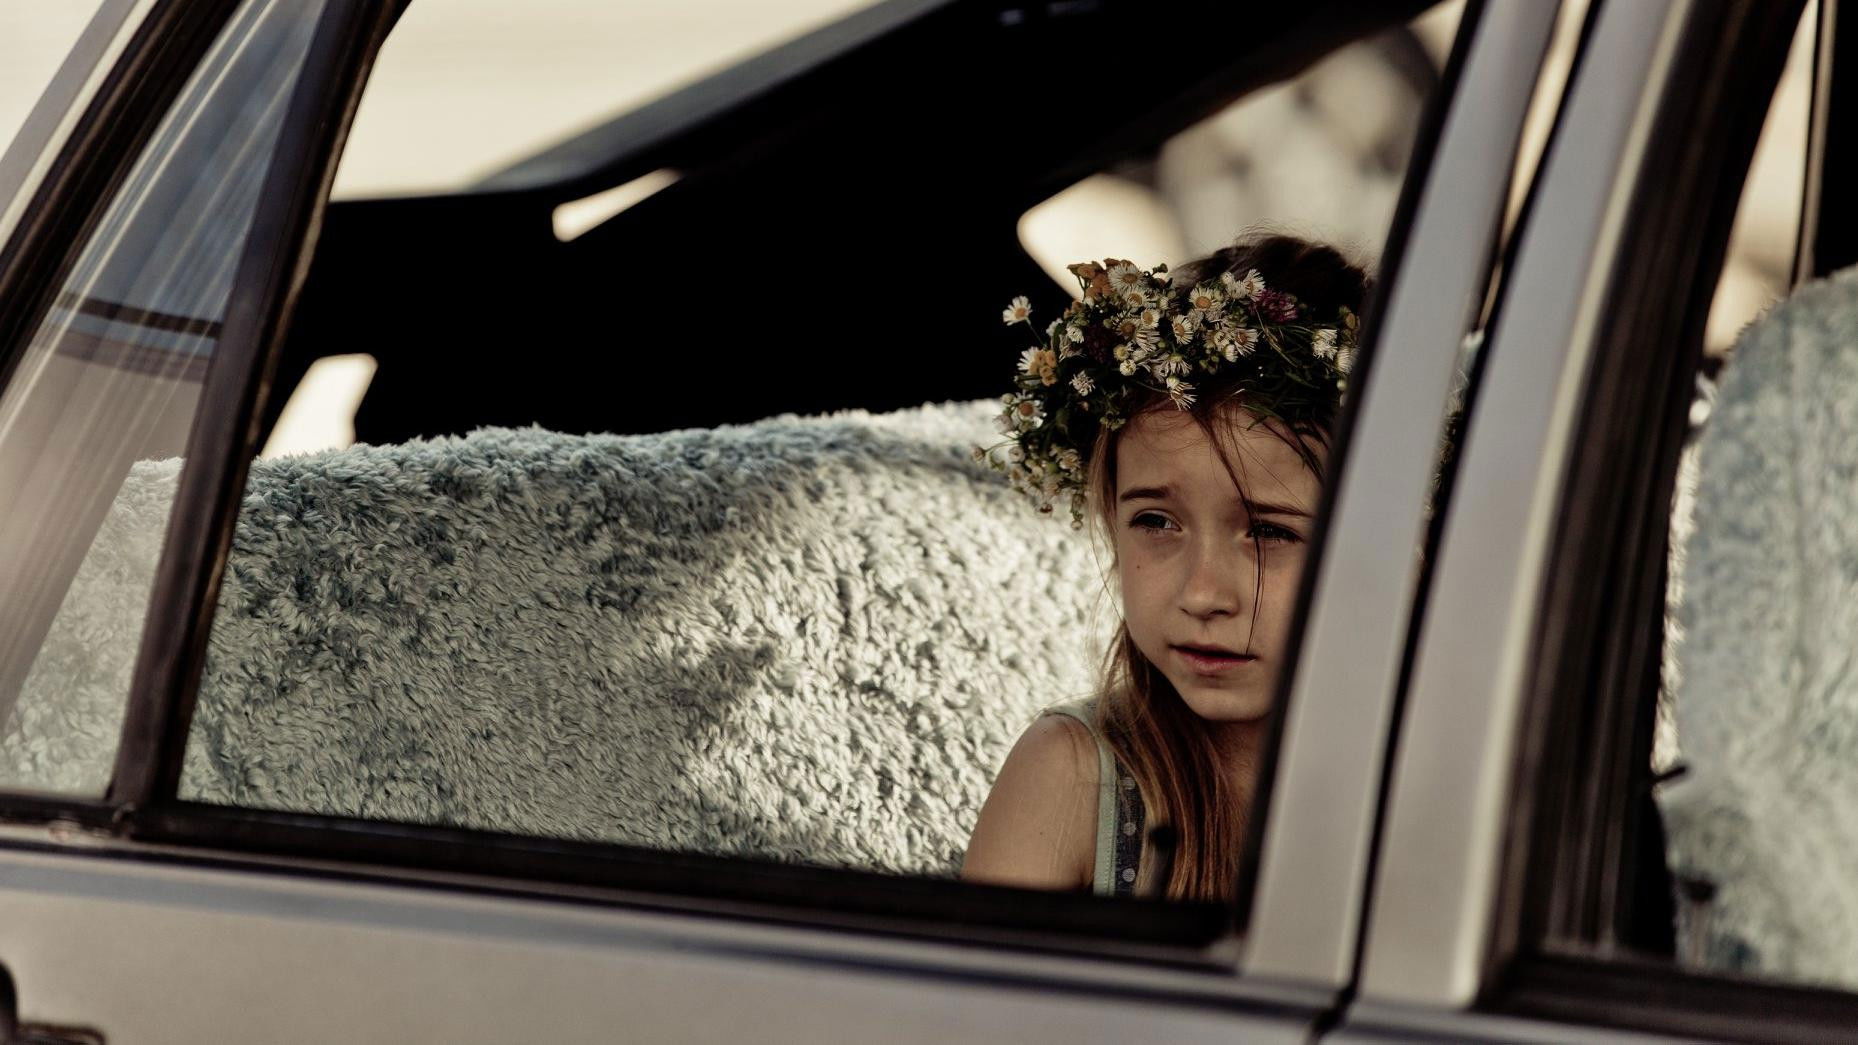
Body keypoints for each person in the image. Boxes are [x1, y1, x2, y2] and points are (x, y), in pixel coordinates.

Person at [962, 234, 1369, 901]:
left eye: (1269, 530)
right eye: (1156, 521)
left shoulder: (1469, 776)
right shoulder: (1072, 780)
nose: (1202, 594)